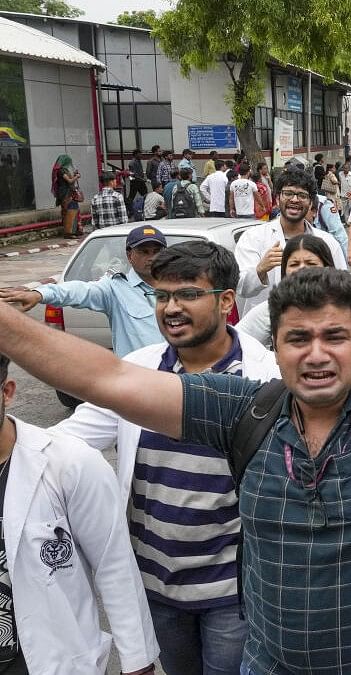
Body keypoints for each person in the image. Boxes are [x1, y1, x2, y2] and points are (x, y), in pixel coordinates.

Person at [0, 141, 351, 674]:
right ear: (273, 347)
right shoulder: (244, 411)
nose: (317, 353)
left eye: (335, 336)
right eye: (298, 337)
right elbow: (106, 377)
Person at [51, 241, 277, 675]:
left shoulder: (264, 378)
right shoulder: (137, 373)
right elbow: (62, 443)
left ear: (227, 300)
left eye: (188, 294)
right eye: (162, 296)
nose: (171, 308)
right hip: (155, 587)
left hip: (234, 594)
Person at [0, 354, 160, 674]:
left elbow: (113, 564)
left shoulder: (69, 463)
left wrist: (136, 662)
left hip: (49, 660)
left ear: (7, 391)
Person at [0, 226, 166, 356]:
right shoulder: (115, 288)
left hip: (177, 381)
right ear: (129, 256)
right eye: (144, 252)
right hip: (139, 382)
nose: (151, 258)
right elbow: (78, 290)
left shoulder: (177, 285)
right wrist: (39, 294)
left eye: (157, 252)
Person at [234, 168, 347, 314]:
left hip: (314, 326)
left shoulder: (327, 242)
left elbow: (343, 290)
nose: (294, 200)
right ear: (277, 198)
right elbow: (240, 288)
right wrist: (260, 270)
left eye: (302, 195)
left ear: (311, 203)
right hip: (263, 331)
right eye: (288, 193)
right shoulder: (253, 237)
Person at [237, 234, 336, 346]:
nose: (302, 268)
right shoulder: (271, 309)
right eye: (294, 264)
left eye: (311, 263)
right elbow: (235, 344)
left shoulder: (345, 305)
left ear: (327, 268)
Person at [52, 154, 83, 237]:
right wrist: (76, 176)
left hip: (69, 193)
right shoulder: (61, 171)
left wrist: (75, 175)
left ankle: (75, 229)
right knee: (69, 212)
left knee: (74, 211)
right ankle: (69, 232)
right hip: (66, 194)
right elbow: (69, 181)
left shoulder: (64, 170)